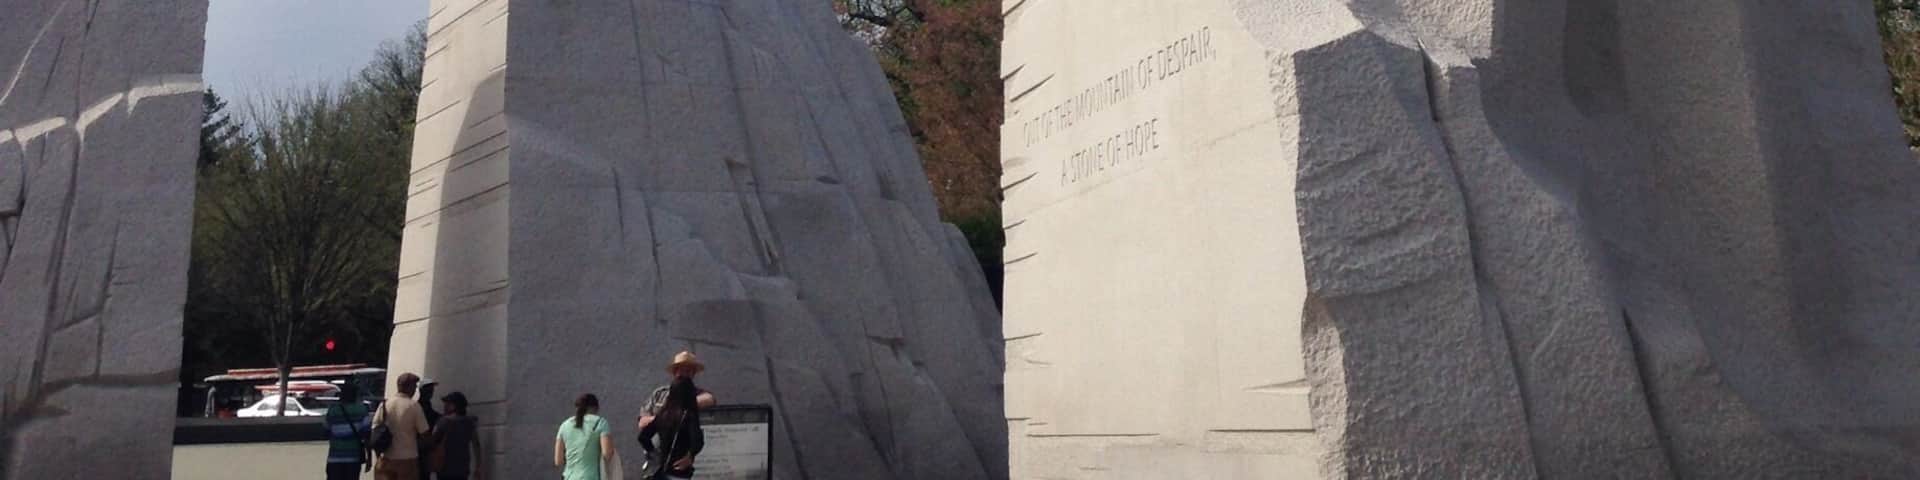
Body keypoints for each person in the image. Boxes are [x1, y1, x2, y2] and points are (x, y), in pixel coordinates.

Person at [638, 377, 704, 479]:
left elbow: (643, 437)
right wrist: (690, 455)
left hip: (661, 470)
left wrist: (655, 455)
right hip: (679, 471)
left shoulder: (663, 414)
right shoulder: (688, 415)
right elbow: (697, 440)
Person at [373, 373, 433, 480]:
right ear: (408, 387)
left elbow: (375, 429)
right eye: (414, 386)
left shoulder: (385, 404)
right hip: (407, 460)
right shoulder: (414, 406)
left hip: (386, 459)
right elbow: (424, 433)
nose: (415, 390)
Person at [637, 352, 716, 432]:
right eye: (681, 371)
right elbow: (642, 423)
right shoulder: (659, 394)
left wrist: (681, 406)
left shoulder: (699, 393)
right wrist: (666, 418)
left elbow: (709, 399)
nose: (684, 374)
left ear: (693, 374)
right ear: (675, 372)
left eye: (688, 371)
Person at [556, 393, 616, 480]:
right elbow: (607, 454)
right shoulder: (600, 422)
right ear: (596, 408)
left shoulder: (564, 425)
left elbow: (558, 461)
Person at [323, 382, 373, 480]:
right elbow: (367, 436)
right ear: (355, 395)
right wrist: (369, 458)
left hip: (334, 458)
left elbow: (325, 433)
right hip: (353, 459)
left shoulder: (333, 410)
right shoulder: (362, 410)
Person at [430, 391, 484, 480]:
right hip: (463, 469)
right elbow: (476, 445)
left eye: (447, 403)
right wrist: (478, 466)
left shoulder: (443, 422)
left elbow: (433, 441)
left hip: (445, 469)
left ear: (453, 406)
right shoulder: (470, 423)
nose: (444, 406)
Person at [417, 379, 442, 480]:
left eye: (432, 389)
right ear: (422, 390)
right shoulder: (419, 406)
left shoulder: (427, 405)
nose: (431, 392)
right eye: (429, 389)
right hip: (419, 447)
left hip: (425, 447)